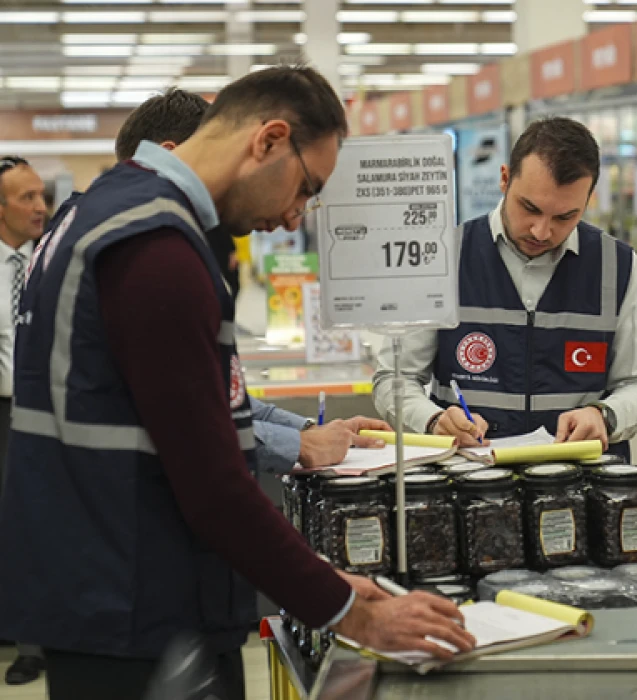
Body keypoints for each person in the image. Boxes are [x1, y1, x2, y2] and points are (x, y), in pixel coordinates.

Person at [0, 65, 474, 700]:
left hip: (100, 586)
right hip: (138, 611)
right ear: (269, 140)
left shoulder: (100, 211)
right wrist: (347, 610)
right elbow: (212, 485)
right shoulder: (156, 250)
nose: (294, 214)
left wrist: (326, 581)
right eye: (307, 187)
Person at [49, 88, 391, 476]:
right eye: (303, 187)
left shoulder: (106, 224)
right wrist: (299, 444)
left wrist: (309, 431)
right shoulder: (146, 245)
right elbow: (191, 430)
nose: (292, 219)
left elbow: (212, 396)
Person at [372, 117, 637, 459]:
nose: (541, 231)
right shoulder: (444, 258)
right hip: (470, 481)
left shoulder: (618, 267)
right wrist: (433, 420)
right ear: (505, 178)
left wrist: (604, 416)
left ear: (588, 200)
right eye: (530, 208)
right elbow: (395, 378)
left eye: (564, 217)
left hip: (583, 482)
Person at [0, 155, 47, 686]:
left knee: (38, 527)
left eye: (41, 196)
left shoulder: (53, 261)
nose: (40, 207)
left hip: (44, 410)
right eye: (27, 198)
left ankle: (35, 645)